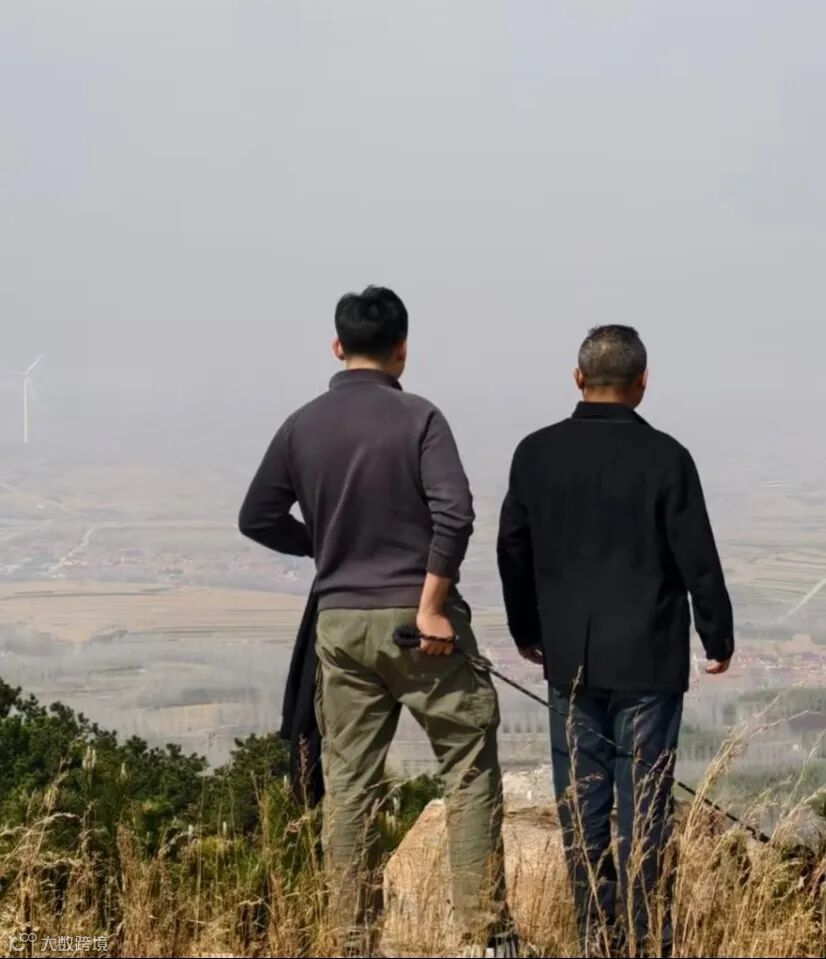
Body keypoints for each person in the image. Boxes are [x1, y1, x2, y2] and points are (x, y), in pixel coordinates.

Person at [239, 286, 515, 958]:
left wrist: (324, 544)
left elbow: (256, 517)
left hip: (340, 623)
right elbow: (456, 513)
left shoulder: (302, 424)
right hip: (419, 624)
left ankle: (352, 939)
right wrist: (431, 605)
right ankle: (484, 936)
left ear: (337, 346)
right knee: (469, 768)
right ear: (402, 350)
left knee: (349, 784)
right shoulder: (420, 418)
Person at [497, 325, 734, 958]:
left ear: (578, 378)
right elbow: (697, 558)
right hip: (648, 661)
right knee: (645, 810)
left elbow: (512, 550)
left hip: (569, 660)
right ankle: (648, 940)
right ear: (643, 383)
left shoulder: (535, 453)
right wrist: (717, 635)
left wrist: (527, 630)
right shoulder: (667, 458)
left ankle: (593, 939)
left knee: (583, 810)